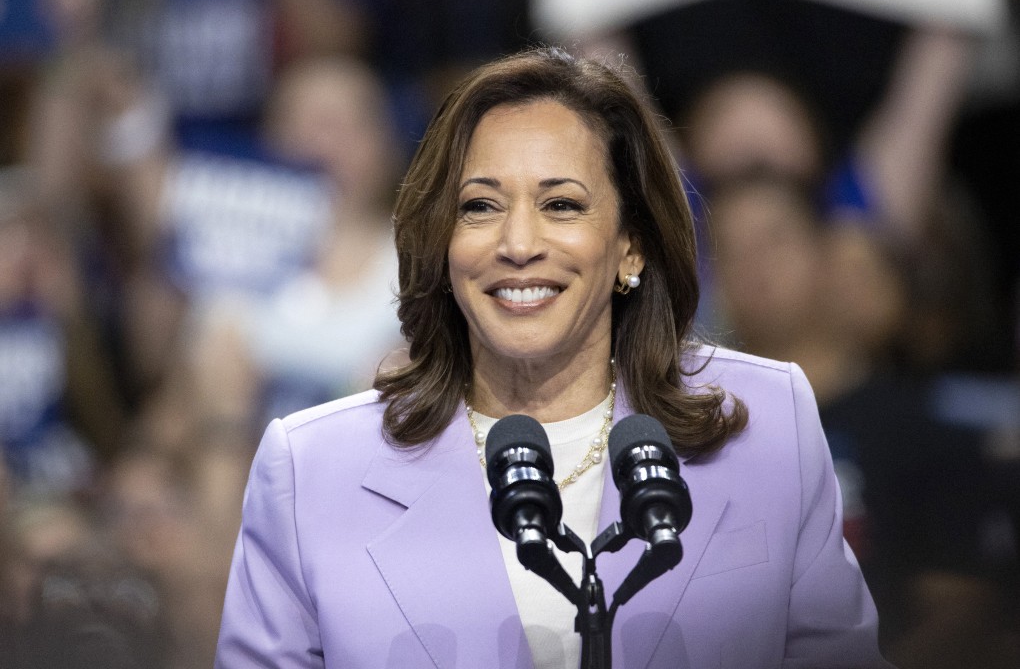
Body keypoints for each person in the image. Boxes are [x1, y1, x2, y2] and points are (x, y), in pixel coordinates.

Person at [215, 46, 892, 668]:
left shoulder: (767, 425)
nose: (518, 244)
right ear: (443, 245)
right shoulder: (311, 472)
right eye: (480, 207)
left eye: (561, 205)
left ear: (630, 246)